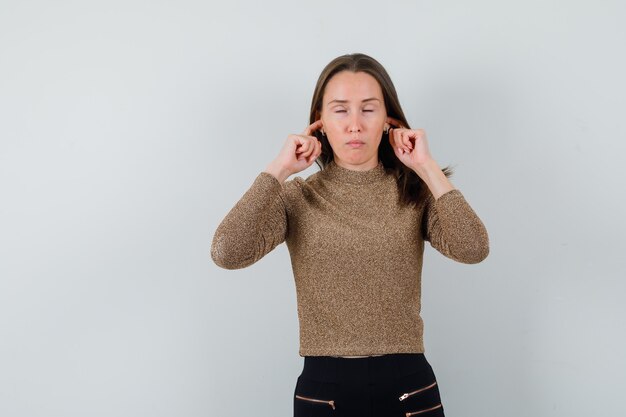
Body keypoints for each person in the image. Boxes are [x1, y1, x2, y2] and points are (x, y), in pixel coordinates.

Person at [210, 52, 489, 417]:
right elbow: (227, 251)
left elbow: (474, 248)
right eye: (340, 110)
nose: (354, 125)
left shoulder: (413, 193)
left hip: (408, 384)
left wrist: (426, 167)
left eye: (368, 109)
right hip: (326, 390)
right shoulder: (298, 197)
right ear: (320, 122)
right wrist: (278, 170)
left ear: (388, 120)